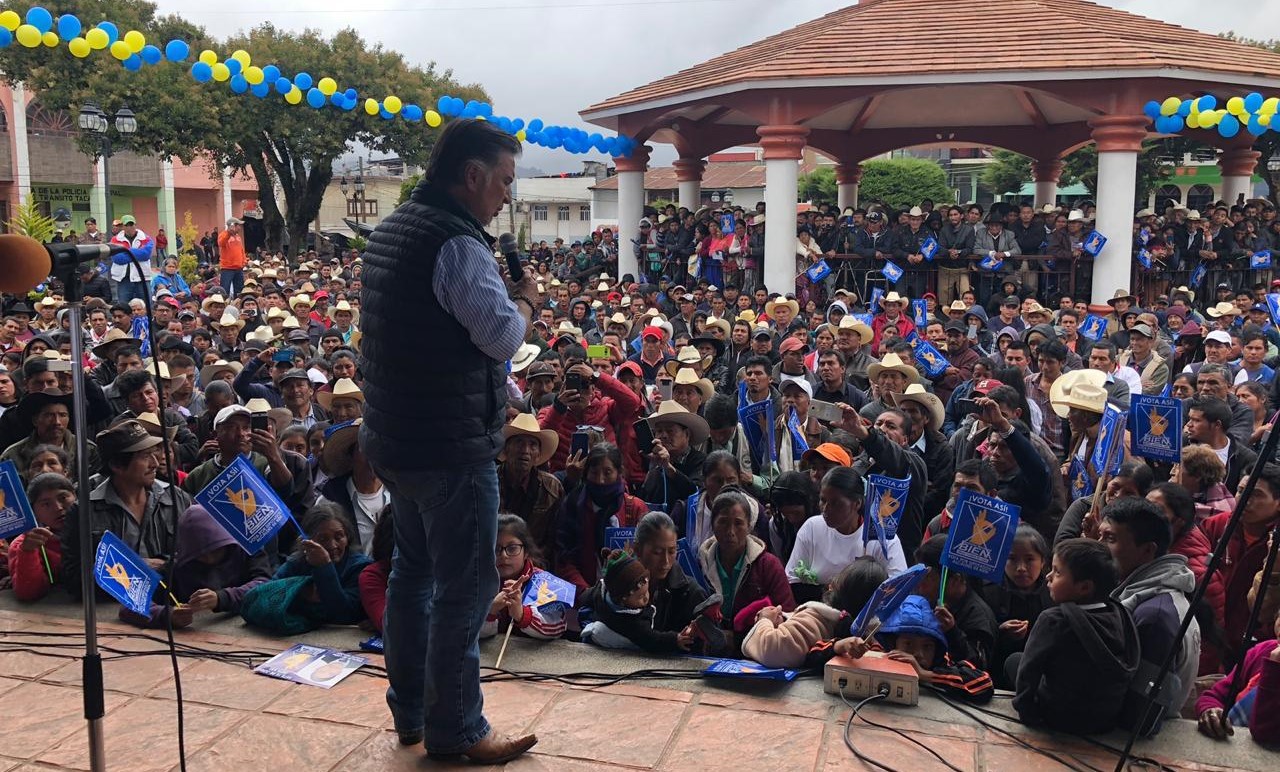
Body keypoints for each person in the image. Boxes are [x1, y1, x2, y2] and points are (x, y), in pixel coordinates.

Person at [358, 119, 537, 760]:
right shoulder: (456, 244)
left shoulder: (397, 226)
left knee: (412, 577)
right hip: (447, 447)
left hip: (394, 436)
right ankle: (457, 729)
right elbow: (501, 338)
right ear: (472, 175)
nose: (506, 196)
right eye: (505, 181)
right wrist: (525, 305)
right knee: (464, 590)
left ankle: (410, 712)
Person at [1011, 538, 1140, 734]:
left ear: (1084, 587)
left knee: (1014, 662)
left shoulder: (1053, 620)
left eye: (1057, 572)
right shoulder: (1120, 613)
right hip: (1103, 720)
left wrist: (1028, 714)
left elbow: (1029, 671)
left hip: (1059, 717)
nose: (1049, 577)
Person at [1102, 497, 1201, 735]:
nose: (1098, 546)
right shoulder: (1146, 594)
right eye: (1100, 536)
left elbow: (1140, 714)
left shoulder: (1154, 616)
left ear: (1147, 550)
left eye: (1110, 539)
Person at [62, 421, 193, 601]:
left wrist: (163, 566)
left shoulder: (176, 498)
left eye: (154, 454)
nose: (155, 463)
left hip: (171, 605)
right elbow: (75, 578)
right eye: (145, 456)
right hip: (111, 616)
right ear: (117, 465)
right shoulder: (84, 511)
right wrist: (137, 567)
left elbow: (197, 558)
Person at [786, 466, 907, 603]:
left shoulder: (882, 540)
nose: (826, 509)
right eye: (823, 500)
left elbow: (898, 589)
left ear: (857, 503)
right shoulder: (812, 528)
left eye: (835, 503)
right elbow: (792, 579)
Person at [741, 557, 886, 669]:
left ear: (835, 586)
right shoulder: (873, 636)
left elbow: (772, 650)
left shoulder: (816, 619)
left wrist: (765, 620)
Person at [697, 487, 795, 643]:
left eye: (738, 523)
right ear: (713, 524)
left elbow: (787, 615)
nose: (730, 531)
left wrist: (738, 639)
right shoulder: (698, 564)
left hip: (757, 651)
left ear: (749, 526)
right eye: (723, 522)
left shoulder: (768, 566)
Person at [555, 443, 647, 593]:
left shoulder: (636, 508)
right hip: (583, 597)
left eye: (607, 472)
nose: (600, 480)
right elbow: (564, 559)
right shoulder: (573, 505)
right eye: (594, 472)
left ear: (619, 472)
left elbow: (645, 557)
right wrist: (586, 593)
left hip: (628, 594)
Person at [981, 524, 1052, 687]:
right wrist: (999, 630)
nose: (1021, 568)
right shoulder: (989, 591)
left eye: (1029, 560)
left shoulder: (1053, 594)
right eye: (1012, 559)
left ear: (1042, 562)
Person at [1195, 612, 1280, 745]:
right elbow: (1214, 696)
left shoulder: (1273, 661)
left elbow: (1265, 733)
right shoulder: (1263, 651)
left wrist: (1275, 668)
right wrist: (1211, 711)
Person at [481, 514, 568, 641]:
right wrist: (491, 610)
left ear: (526, 552)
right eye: (496, 549)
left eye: (512, 548)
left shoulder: (543, 582)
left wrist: (522, 614)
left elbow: (558, 627)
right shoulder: (478, 581)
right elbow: (463, 629)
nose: (504, 555)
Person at [496, 414, 564, 564]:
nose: (525, 450)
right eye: (519, 442)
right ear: (506, 449)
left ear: (538, 454)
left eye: (532, 445)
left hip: (536, 567)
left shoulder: (552, 487)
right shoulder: (489, 483)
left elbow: (554, 540)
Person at [633, 511, 709, 636]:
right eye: (657, 552)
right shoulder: (622, 585)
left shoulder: (691, 594)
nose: (666, 561)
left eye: (672, 551)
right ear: (637, 549)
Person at [6, 473, 74, 602]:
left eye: (63, 498)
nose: (58, 508)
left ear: (76, 497)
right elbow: (28, 593)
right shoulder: (23, 544)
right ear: (33, 512)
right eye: (46, 504)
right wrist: (27, 552)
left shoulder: (96, 529)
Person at [108, 215, 154, 305]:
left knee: (146, 305)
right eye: (127, 225)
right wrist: (137, 253)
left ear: (135, 225)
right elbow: (118, 259)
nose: (129, 227)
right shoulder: (115, 239)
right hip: (123, 279)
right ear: (122, 227)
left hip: (142, 278)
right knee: (124, 306)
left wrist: (126, 251)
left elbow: (145, 255)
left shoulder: (145, 238)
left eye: (131, 224)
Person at [217, 218, 248, 297]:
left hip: (238, 268)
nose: (239, 228)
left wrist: (244, 261)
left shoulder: (238, 237)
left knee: (239, 290)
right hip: (227, 268)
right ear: (232, 226)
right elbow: (221, 243)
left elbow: (241, 250)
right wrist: (228, 233)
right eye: (238, 225)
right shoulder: (223, 234)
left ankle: (238, 305)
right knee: (225, 289)